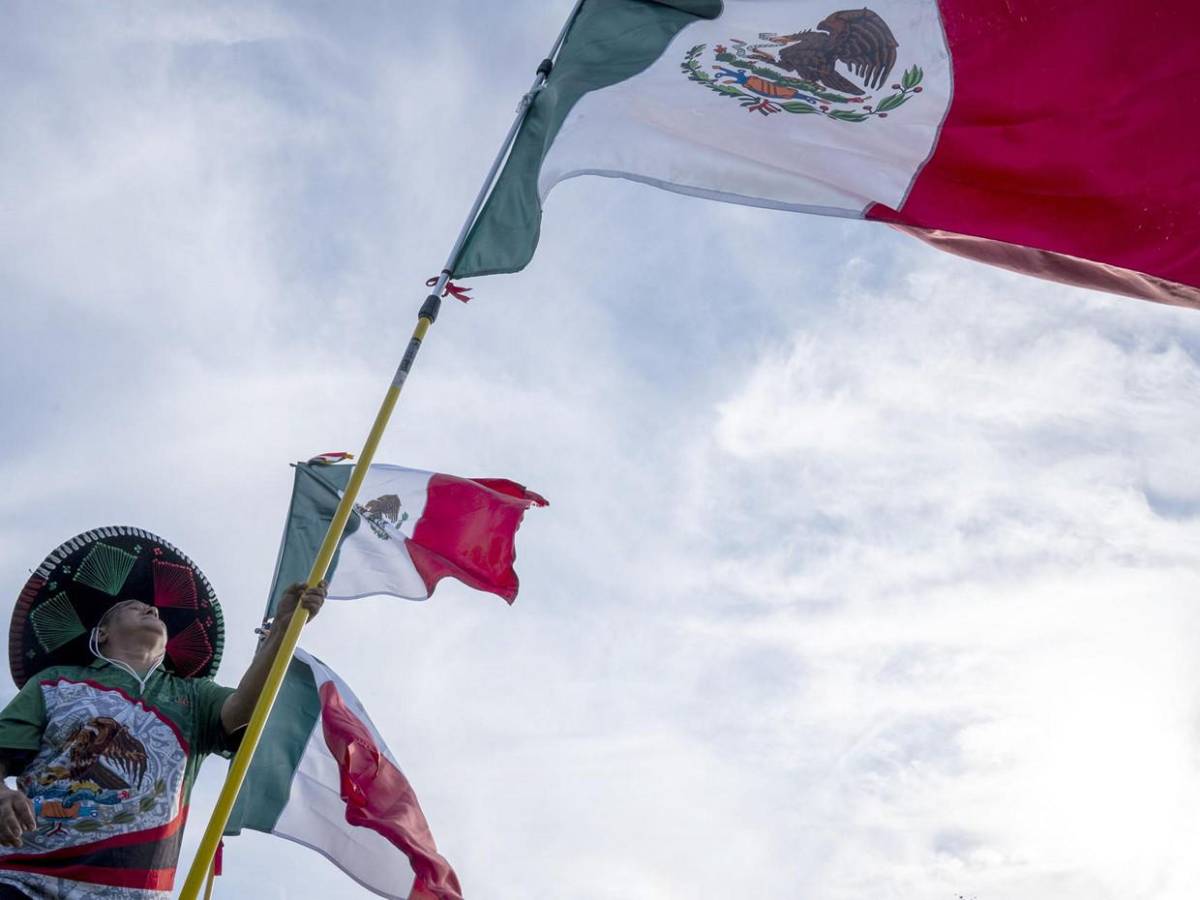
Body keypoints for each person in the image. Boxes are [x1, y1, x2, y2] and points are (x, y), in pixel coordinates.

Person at [0, 527, 325, 899]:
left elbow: (244, 710)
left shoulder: (194, 697)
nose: (152, 609)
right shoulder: (55, 683)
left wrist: (283, 630)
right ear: (102, 631)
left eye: (154, 610)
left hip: (132, 892)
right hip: (23, 878)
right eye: (133, 607)